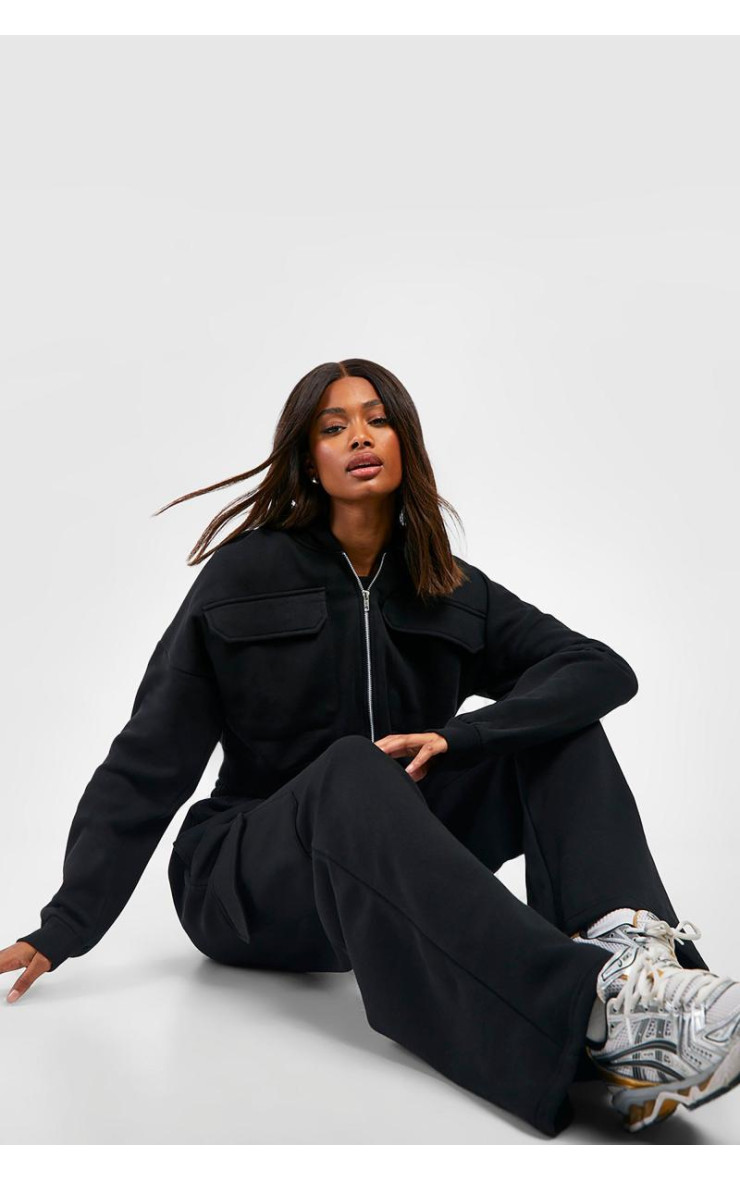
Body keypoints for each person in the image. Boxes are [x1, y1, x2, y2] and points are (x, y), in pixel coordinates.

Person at [3, 357, 739, 1139]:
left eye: (377, 419)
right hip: (248, 879)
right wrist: (66, 923)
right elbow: (148, 758)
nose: (360, 436)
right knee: (354, 765)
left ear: (404, 443)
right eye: (334, 426)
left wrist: (461, 736)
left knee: (560, 726)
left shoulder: (447, 585)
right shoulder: (246, 574)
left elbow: (598, 668)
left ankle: (642, 974)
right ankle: (590, 1012)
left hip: (387, 869)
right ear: (308, 460)